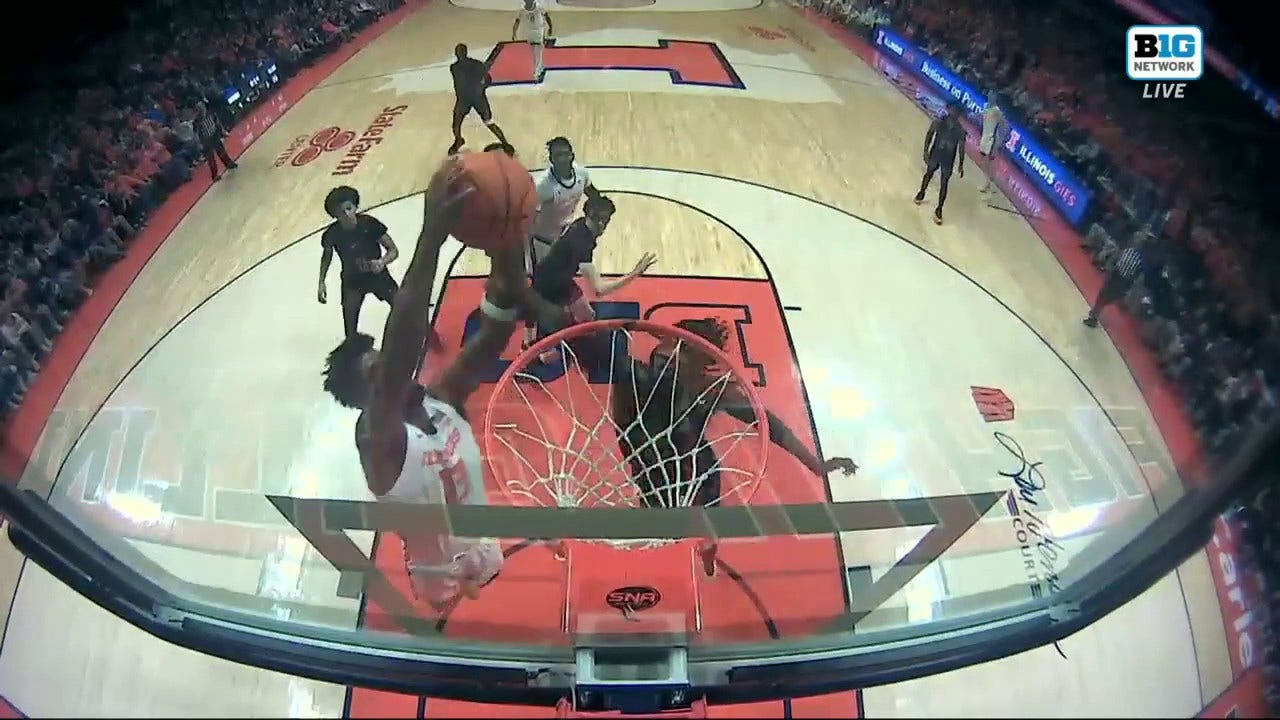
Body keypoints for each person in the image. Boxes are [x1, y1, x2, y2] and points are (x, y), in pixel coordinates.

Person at [321, 158, 547, 611]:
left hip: (487, 551)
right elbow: (404, 340)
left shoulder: (441, 398)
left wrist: (505, 245)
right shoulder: (376, 438)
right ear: (365, 398)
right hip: (439, 587)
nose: (390, 371)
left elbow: (498, 328)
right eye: (376, 374)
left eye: (383, 363)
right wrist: (431, 236)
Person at [567, 317, 859, 576]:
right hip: (652, 471)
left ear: (694, 361)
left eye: (678, 353)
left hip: (695, 473)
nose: (667, 355)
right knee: (659, 523)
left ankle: (705, 553)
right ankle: (689, 550)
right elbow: (581, 342)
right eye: (667, 346)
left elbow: (769, 424)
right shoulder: (633, 373)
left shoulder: (705, 391)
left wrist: (815, 465)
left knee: (701, 532)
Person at [529, 194, 655, 357]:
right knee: (553, 343)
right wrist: (634, 274)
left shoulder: (581, 226)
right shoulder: (580, 244)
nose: (603, 225)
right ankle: (537, 346)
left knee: (588, 317)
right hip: (548, 287)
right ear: (590, 216)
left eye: (606, 220)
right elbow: (599, 290)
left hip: (559, 278)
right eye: (600, 220)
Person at [449, 43, 510, 155]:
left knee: (489, 122)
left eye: (459, 53)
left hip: (477, 98)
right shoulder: (455, 67)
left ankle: (505, 143)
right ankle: (458, 140)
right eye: (457, 53)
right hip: (464, 100)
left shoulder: (468, 66)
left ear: (464, 53)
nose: (458, 55)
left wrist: (481, 89)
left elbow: (488, 80)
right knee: (456, 124)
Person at [914, 103, 966, 225]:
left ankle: (939, 208)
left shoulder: (960, 131)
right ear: (949, 109)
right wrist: (925, 151)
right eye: (953, 110)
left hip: (948, 158)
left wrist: (961, 164)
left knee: (944, 183)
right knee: (929, 173)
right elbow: (929, 134)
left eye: (956, 111)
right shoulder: (939, 122)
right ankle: (922, 191)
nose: (954, 113)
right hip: (936, 153)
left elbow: (961, 148)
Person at [512, 0, 553, 82]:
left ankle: (537, 72)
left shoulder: (539, 7)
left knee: (537, 52)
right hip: (529, 33)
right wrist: (514, 32)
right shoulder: (522, 10)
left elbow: (547, 17)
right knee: (535, 53)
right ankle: (539, 68)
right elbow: (517, 21)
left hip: (538, 32)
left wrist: (550, 28)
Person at [978, 95, 1006, 195]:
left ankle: (988, 184)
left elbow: (1004, 124)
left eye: (991, 96)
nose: (989, 97)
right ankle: (988, 183)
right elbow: (982, 116)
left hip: (991, 139)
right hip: (984, 137)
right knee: (982, 162)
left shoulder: (996, 110)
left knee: (987, 162)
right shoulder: (986, 107)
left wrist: (1000, 139)